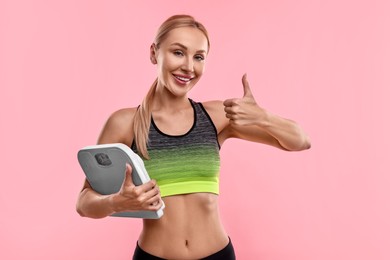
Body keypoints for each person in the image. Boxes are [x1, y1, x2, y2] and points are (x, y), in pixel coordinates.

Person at [76, 14, 311, 260]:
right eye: (178, 52)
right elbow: (84, 203)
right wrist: (117, 202)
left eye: (198, 57)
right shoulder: (125, 123)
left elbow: (300, 141)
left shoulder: (217, 115)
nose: (189, 67)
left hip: (217, 254)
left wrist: (263, 117)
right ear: (154, 53)